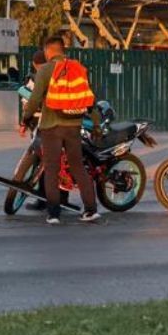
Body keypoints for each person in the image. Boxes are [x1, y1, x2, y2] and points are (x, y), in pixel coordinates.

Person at [18, 33, 100, 225]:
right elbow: (90, 100)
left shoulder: (45, 70)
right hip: (74, 126)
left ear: (48, 51)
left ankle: (53, 214)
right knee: (78, 167)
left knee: (52, 169)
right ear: (63, 50)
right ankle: (91, 210)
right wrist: (96, 124)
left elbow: (35, 100)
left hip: (51, 126)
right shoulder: (78, 68)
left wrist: (25, 119)